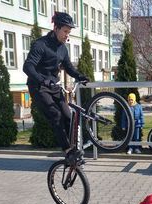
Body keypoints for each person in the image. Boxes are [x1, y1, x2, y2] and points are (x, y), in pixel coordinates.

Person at [23, 12, 89, 162]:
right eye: (65, 31)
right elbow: (27, 67)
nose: (67, 35)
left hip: (53, 86)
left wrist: (80, 76)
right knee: (56, 116)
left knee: (68, 116)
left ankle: (74, 150)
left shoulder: (62, 49)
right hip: (39, 87)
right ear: (56, 28)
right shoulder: (40, 44)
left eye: (69, 32)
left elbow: (69, 68)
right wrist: (42, 80)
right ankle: (67, 151)